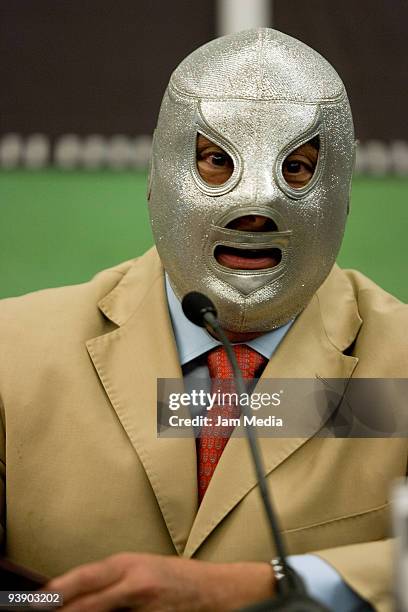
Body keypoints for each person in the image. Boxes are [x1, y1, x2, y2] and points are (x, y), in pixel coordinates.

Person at [0, 28, 406, 612]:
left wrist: (273, 587)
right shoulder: (15, 356)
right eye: (218, 161)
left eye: (298, 168)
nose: (260, 205)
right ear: (156, 174)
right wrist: (45, 605)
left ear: (342, 191)